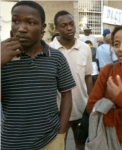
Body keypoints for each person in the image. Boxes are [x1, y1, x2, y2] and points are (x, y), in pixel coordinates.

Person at [1, 1, 76, 150]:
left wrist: (61, 133)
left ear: (43, 27)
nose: (21, 29)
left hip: (50, 140)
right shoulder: (3, 56)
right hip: (12, 142)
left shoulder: (56, 57)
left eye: (30, 22)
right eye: (15, 21)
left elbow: (67, 94)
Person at [49, 10, 93, 150]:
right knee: (58, 143)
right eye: (64, 25)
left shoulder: (85, 49)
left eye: (71, 24)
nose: (69, 28)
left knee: (80, 143)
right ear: (56, 28)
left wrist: (91, 104)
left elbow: (88, 78)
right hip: (57, 110)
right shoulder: (48, 50)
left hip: (81, 108)